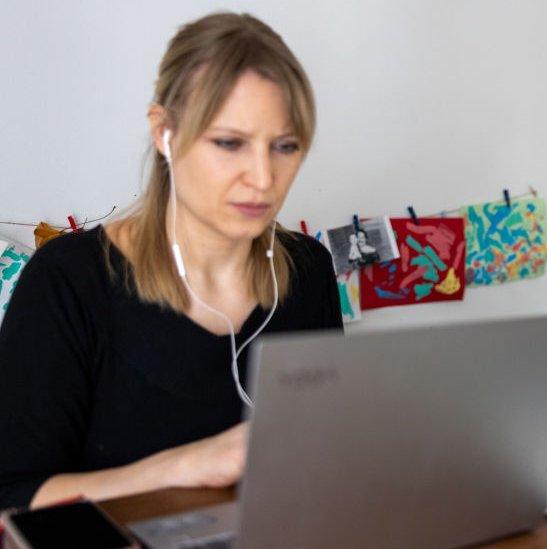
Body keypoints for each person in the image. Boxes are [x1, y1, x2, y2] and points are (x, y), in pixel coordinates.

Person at [0, 12, 342, 509]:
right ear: (164, 132)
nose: (264, 177)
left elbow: (319, 462)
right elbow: (10, 499)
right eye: (229, 143)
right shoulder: (68, 282)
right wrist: (186, 466)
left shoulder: (307, 271)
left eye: (285, 146)